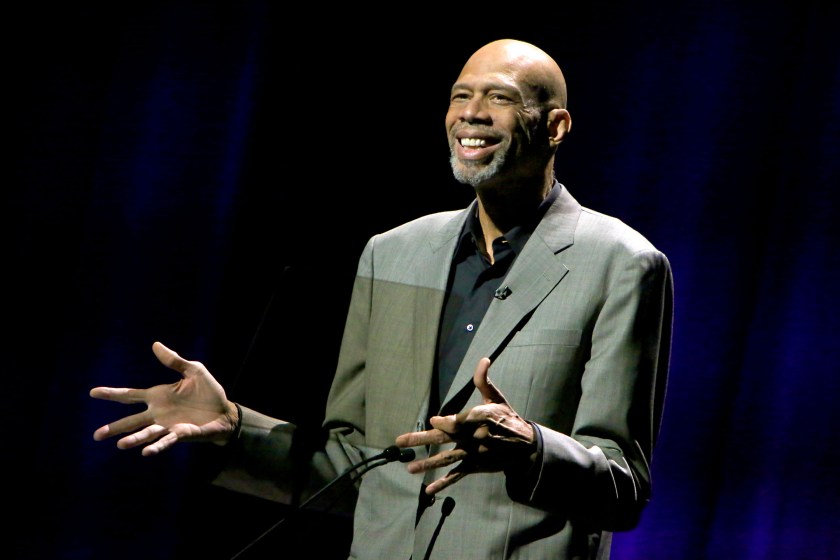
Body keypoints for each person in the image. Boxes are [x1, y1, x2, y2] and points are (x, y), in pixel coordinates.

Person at [90, 38, 674, 559]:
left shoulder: (622, 265)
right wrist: (234, 426)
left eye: (498, 98)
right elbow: (358, 464)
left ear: (555, 127)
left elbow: (623, 489)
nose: (470, 114)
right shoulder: (394, 253)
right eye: (460, 95)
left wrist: (529, 446)